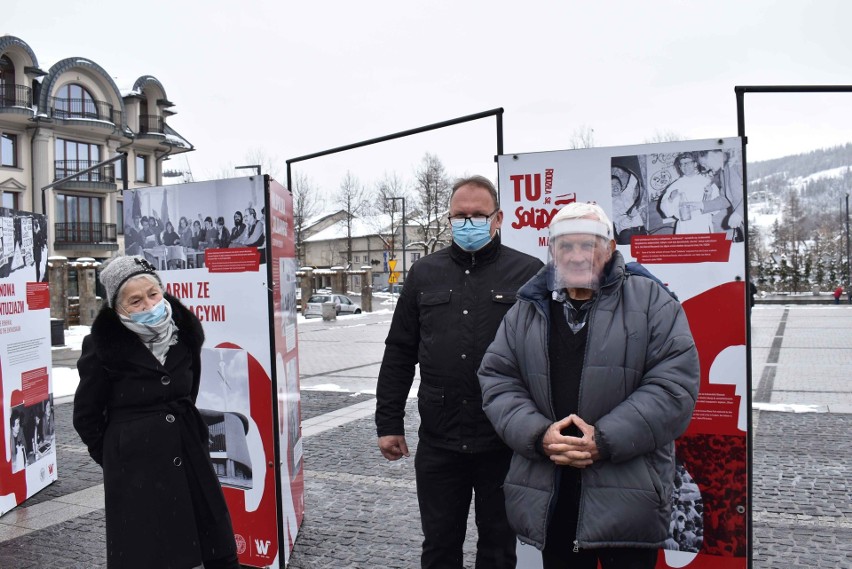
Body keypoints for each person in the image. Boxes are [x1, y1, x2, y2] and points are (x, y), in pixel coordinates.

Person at [478, 201, 700, 569]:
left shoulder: (652, 301)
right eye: (566, 246)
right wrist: (538, 435)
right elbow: (498, 379)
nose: (577, 256)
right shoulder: (527, 307)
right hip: (553, 496)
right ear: (552, 251)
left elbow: (674, 386)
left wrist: (603, 439)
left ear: (610, 249)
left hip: (629, 497)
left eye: (589, 245)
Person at [376, 175, 543, 569]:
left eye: (478, 216)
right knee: (438, 548)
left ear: (498, 218)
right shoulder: (424, 274)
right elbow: (400, 351)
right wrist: (388, 422)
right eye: (459, 217)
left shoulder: (530, 273)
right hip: (440, 440)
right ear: (449, 220)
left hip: (503, 442)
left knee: (499, 551)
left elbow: (547, 358)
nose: (468, 223)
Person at [73, 255, 239, 569]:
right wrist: (116, 454)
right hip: (136, 466)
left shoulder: (185, 334)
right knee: (150, 552)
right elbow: (86, 415)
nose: (149, 305)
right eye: (135, 300)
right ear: (117, 307)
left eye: (153, 294)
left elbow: (189, 391)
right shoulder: (100, 346)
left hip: (189, 450)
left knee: (216, 543)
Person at [659, 153, 717, 234]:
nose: (684, 166)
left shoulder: (706, 182)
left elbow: (717, 208)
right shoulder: (675, 186)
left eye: (687, 163)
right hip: (684, 228)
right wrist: (670, 199)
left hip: (703, 225)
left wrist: (709, 196)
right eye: (681, 164)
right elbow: (667, 212)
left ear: (695, 164)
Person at [697, 149, 744, 240]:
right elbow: (725, 199)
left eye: (705, 164)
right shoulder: (723, 172)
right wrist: (701, 205)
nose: (706, 168)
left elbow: (751, 191)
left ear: (711, 154)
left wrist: (739, 212)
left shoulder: (738, 162)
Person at [9, 409, 28, 473]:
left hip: (21, 463)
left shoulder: (21, 431)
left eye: (19, 423)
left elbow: (25, 448)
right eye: (17, 424)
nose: (19, 426)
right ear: (12, 426)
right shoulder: (9, 437)